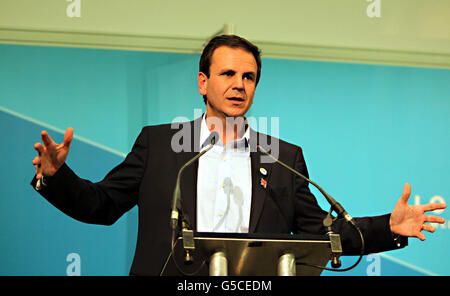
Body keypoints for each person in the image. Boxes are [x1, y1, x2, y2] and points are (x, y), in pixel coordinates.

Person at [31, 35, 446, 276]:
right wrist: (55, 175)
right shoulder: (159, 144)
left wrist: (388, 228)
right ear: (203, 82)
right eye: (227, 74)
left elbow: (320, 232)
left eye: (248, 77)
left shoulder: (282, 157)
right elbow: (101, 205)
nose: (239, 85)